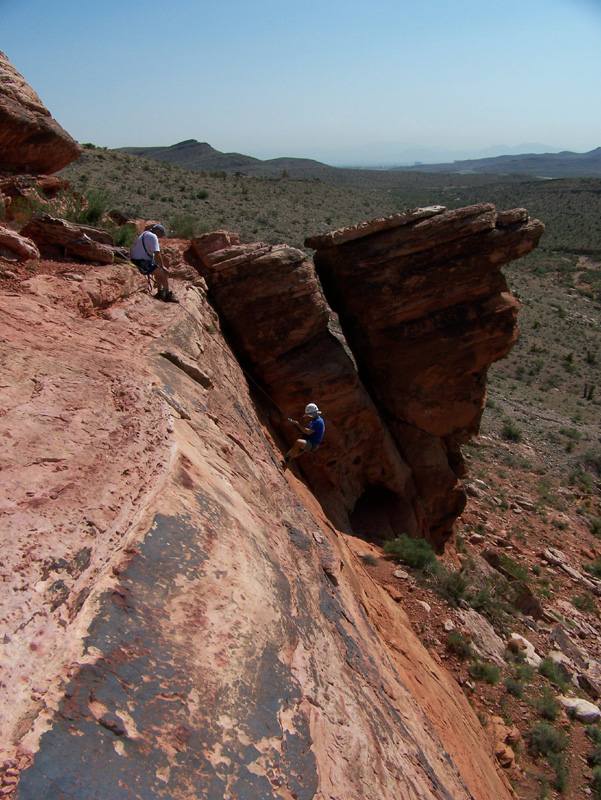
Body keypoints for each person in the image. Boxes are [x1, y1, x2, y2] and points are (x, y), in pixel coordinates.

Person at [130, 224, 178, 303]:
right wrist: (162, 267)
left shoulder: (144, 234)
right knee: (164, 273)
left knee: (157, 269)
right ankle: (167, 295)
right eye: (161, 235)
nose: (160, 237)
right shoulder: (153, 236)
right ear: (157, 231)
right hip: (142, 263)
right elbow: (157, 253)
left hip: (135, 260)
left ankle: (160, 291)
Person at [281, 403, 325, 470]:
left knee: (299, 442)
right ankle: (283, 466)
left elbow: (308, 431)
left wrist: (298, 424)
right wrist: (296, 425)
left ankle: (286, 461)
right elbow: (305, 431)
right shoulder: (314, 420)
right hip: (308, 441)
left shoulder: (318, 421)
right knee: (290, 454)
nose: (310, 416)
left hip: (312, 444)